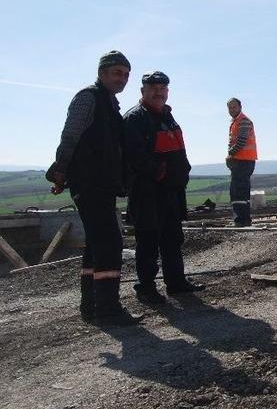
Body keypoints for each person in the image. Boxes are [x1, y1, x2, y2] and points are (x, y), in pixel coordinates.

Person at [46, 50, 141, 325]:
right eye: (116, 73)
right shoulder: (88, 97)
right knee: (110, 243)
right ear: (102, 73)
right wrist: (61, 171)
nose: (122, 79)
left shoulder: (110, 103)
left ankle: (91, 306)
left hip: (102, 182)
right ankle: (108, 310)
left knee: (97, 245)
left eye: (125, 74)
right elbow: (70, 136)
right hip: (89, 182)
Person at [124, 71, 204, 303]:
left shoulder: (168, 117)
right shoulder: (135, 118)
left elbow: (179, 150)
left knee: (172, 237)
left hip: (171, 190)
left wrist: (182, 172)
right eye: (154, 89)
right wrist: (159, 173)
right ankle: (146, 288)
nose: (159, 93)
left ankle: (176, 283)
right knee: (148, 239)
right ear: (143, 92)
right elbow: (135, 156)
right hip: (147, 191)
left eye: (163, 89)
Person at [226, 98, 257, 226]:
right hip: (243, 160)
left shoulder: (243, 121)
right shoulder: (235, 122)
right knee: (243, 190)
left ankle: (240, 220)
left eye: (234, 107)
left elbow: (241, 141)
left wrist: (230, 154)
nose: (231, 110)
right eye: (229, 107)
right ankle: (245, 219)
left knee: (237, 190)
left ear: (240, 107)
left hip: (243, 160)